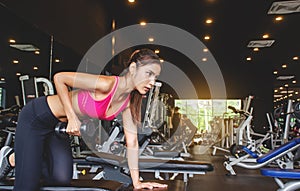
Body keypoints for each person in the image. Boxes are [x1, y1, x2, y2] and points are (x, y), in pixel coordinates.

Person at [0, 48, 168, 190]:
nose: (152, 82)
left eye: (155, 77)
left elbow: (132, 143)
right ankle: (14, 157)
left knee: (60, 178)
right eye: (149, 74)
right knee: (27, 184)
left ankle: (23, 156)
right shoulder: (106, 84)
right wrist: (72, 118)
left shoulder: (128, 103)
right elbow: (60, 78)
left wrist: (137, 182)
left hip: (58, 127)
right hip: (37, 117)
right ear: (133, 69)